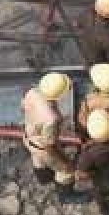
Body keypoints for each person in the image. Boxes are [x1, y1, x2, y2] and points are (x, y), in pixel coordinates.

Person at [21, 72, 82, 203]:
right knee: (65, 170)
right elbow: (50, 146)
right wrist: (65, 161)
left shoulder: (32, 92)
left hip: (28, 137)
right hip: (44, 146)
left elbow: (24, 107)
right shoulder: (51, 119)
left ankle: (44, 178)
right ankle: (66, 196)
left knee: (37, 159)